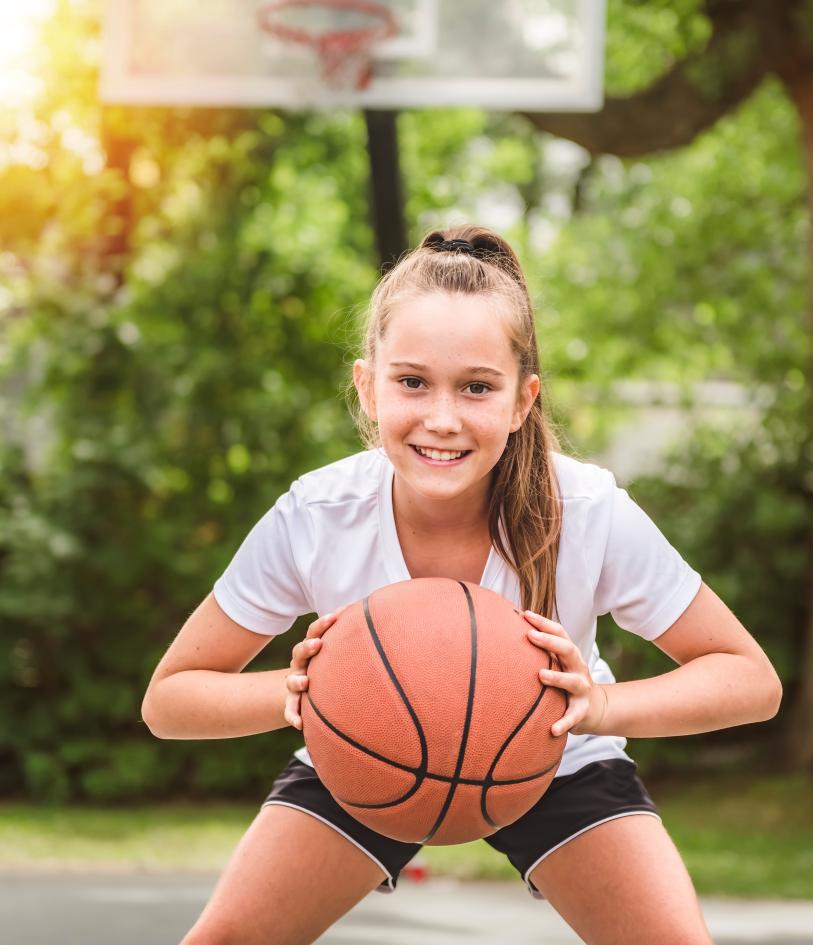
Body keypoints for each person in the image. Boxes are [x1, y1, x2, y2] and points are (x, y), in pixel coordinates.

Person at [142, 226, 782, 945]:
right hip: (366, 746)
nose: (441, 418)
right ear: (367, 387)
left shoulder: (587, 510)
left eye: (476, 387)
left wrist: (596, 703)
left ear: (520, 401)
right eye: (411, 381)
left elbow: (749, 678)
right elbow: (169, 700)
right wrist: (299, 693)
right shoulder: (318, 515)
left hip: (553, 751)